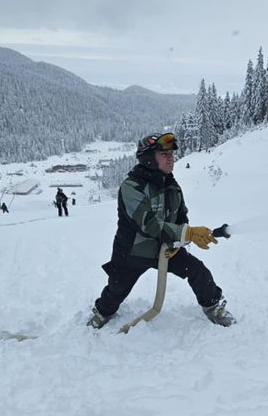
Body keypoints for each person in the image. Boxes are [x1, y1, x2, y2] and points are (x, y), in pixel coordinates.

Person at [87, 132, 234, 329]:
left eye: (172, 154)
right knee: (117, 289)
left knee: (198, 271)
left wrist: (179, 241)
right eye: (164, 154)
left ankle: (213, 307)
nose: (171, 158)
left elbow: (181, 217)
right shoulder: (131, 187)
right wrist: (188, 233)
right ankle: (102, 313)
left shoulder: (172, 186)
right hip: (132, 252)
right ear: (148, 158)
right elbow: (149, 224)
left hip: (166, 249)